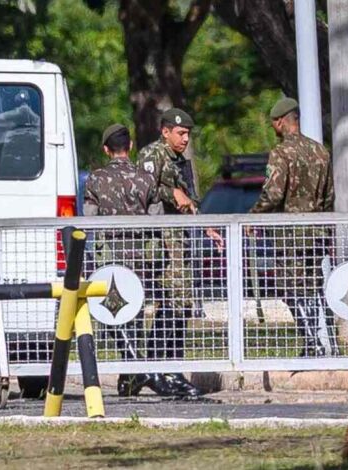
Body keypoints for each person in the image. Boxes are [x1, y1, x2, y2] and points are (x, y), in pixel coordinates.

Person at [83, 124, 179, 397]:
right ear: (131, 147)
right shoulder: (146, 179)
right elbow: (156, 219)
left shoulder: (96, 179)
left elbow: (88, 218)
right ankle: (132, 374)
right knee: (134, 313)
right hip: (141, 258)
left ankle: (133, 369)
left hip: (110, 258)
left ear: (106, 149)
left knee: (110, 314)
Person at [250, 97, 337, 356]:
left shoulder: (281, 153)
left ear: (280, 122)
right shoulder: (321, 151)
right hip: (316, 232)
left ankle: (311, 342)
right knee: (312, 288)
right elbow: (330, 196)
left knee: (289, 287)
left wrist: (253, 216)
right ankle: (317, 340)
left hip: (290, 235)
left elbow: (273, 194)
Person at [136, 108, 213, 398]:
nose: (185, 138)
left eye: (188, 134)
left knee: (179, 304)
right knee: (171, 302)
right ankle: (162, 368)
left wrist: (206, 226)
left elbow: (190, 199)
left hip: (179, 242)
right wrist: (172, 194)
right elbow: (144, 190)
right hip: (160, 243)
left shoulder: (181, 162)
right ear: (165, 131)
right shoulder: (151, 155)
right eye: (181, 133)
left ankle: (166, 367)